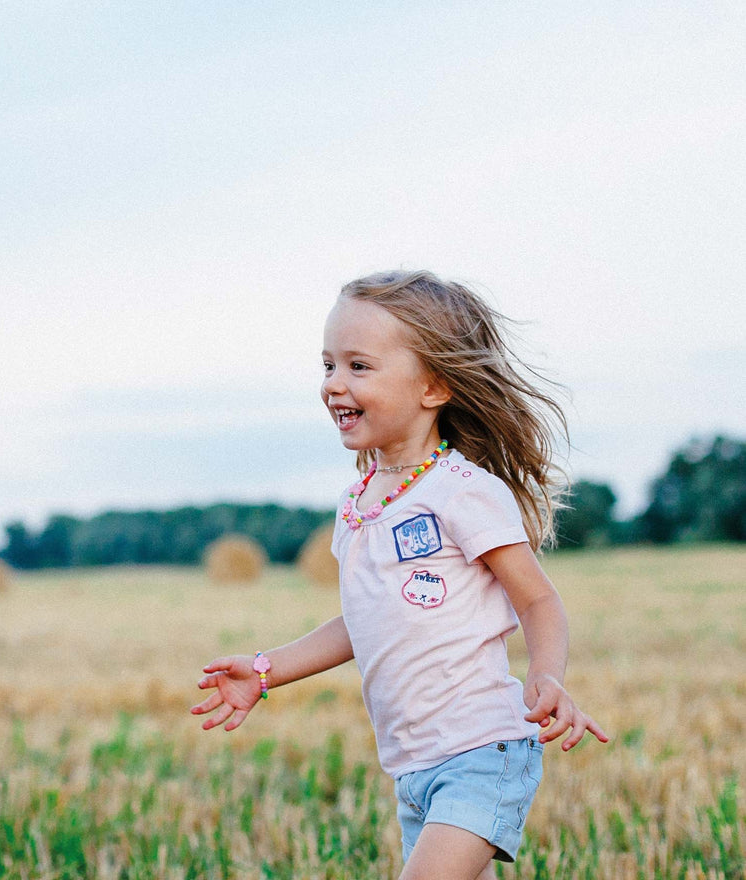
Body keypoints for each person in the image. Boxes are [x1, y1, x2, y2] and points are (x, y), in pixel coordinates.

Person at [191, 270, 609, 879]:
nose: (335, 384)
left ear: (434, 386)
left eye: (359, 366)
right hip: (412, 768)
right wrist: (265, 670)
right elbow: (361, 620)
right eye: (328, 365)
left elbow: (538, 600)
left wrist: (546, 676)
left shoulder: (463, 491)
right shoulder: (358, 503)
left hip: (481, 753)